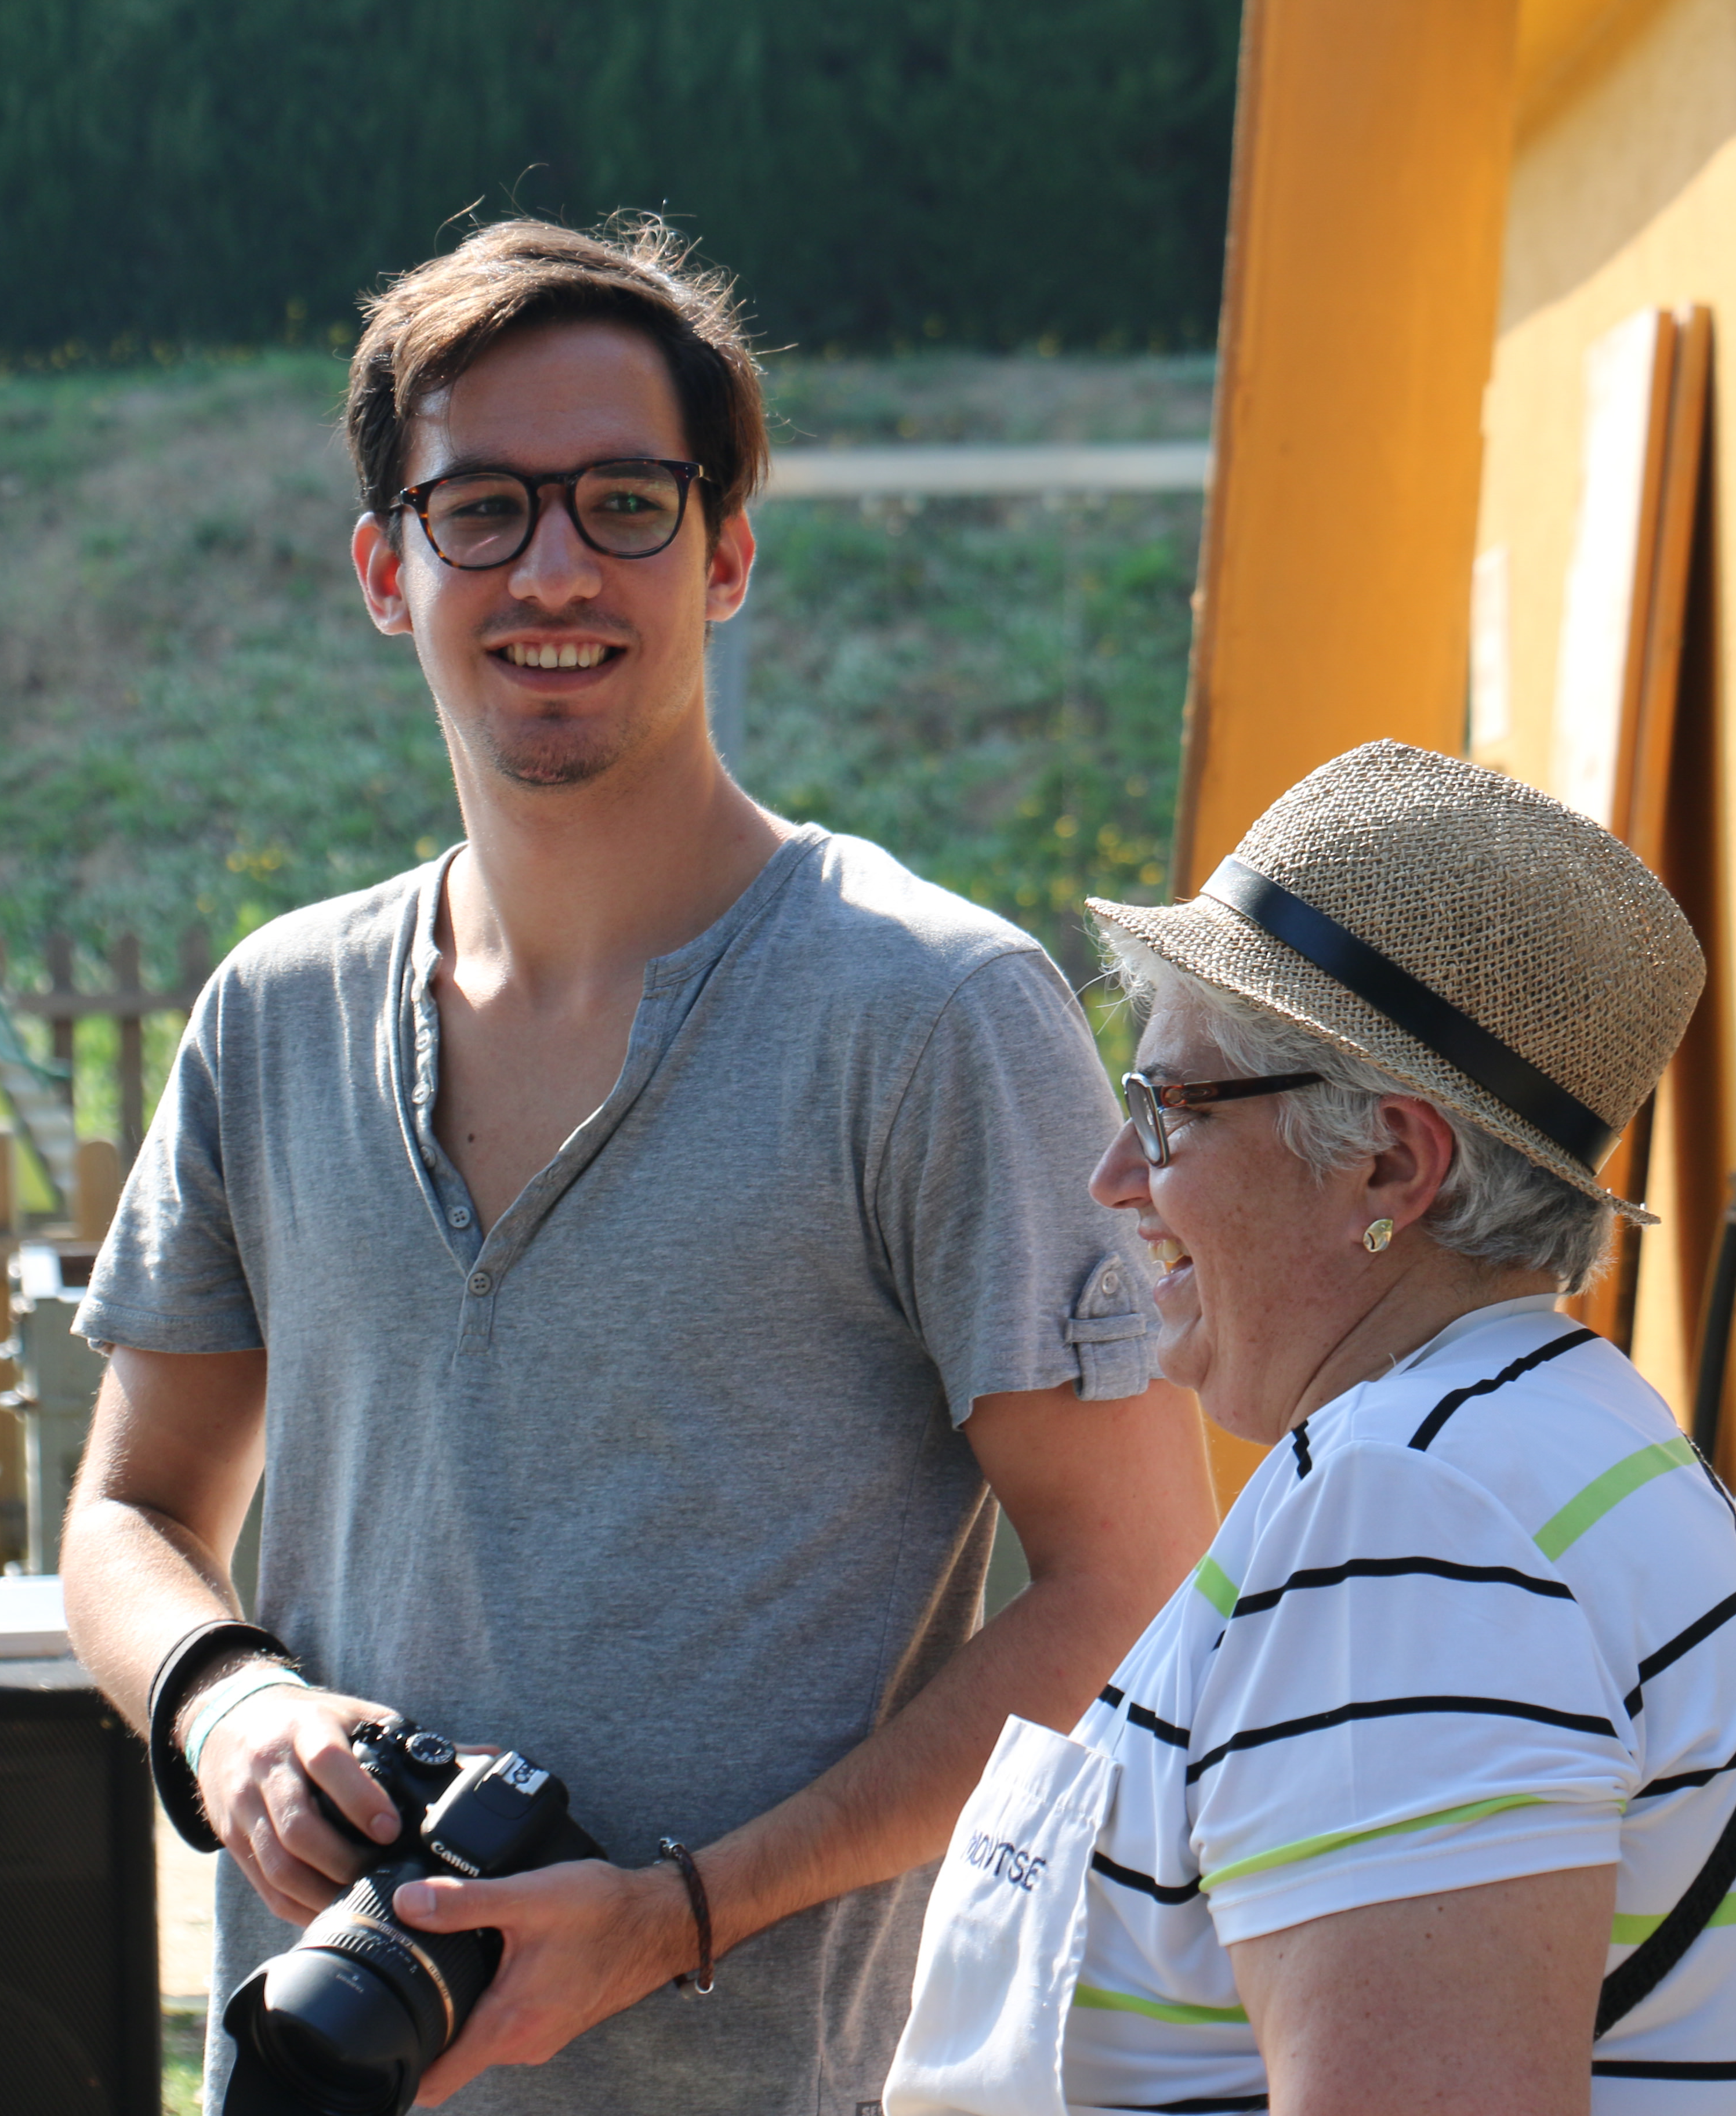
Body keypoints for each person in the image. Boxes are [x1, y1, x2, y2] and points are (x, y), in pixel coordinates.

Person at [60, 215, 1220, 2115]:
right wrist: (229, 1700)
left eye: (625, 502)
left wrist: (683, 1910)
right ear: (384, 568)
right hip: (328, 2067)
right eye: (482, 510)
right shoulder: (271, 1014)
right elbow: (131, 1509)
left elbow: (1133, 1578)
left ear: (726, 553)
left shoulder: (927, 1012)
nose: (554, 568)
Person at [886, 741, 1736, 2116]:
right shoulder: (1547, 1434)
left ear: (1391, 1162)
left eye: (1168, 1110)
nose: (1113, 1177)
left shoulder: (1404, 1520)